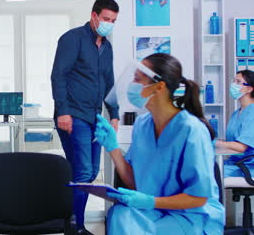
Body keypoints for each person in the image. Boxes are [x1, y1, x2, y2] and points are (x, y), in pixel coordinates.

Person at [96, 54, 224, 234]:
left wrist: (150, 201)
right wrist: (113, 148)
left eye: (137, 79)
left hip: (191, 216)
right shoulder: (142, 125)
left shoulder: (192, 130)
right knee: (120, 215)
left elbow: (198, 198)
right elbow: (136, 183)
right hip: (155, 212)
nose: (132, 85)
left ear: (159, 86)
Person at [50, 0, 119, 234]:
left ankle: (68, 219)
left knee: (89, 172)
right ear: (94, 16)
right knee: (82, 171)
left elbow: (109, 82)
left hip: (94, 117)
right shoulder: (73, 39)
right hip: (73, 115)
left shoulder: (107, 47)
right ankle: (76, 226)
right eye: (106, 19)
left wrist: (115, 113)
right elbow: (58, 75)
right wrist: (63, 111)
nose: (109, 23)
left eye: (113, 20)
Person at [214, 70, 254, 176]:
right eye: (234, 81)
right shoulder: (237, 113)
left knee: (205, 175)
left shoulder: (252, 112)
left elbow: (241, 147)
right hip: (234, 164)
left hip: (247, 167)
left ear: (249, 89)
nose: (233, 85)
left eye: (238, 82)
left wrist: (214, 143)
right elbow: (231, 143)